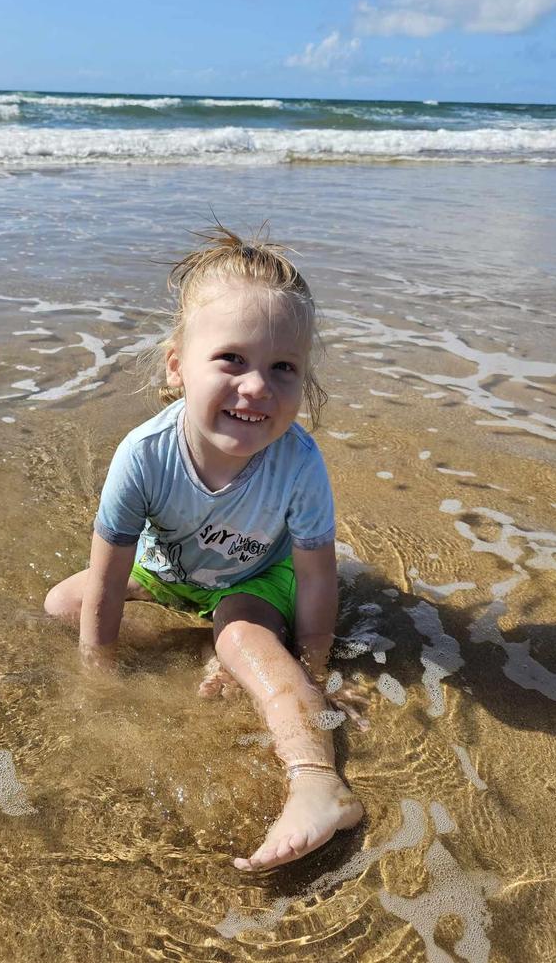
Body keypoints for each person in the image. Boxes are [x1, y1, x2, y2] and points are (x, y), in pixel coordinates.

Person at [44, 223, 369, 871]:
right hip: (173, 570)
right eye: (232, 360)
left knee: (240, 636)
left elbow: (316, 579)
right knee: (64, 605)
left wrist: (313, 667)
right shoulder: (142, 456)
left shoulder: (300, 463)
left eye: (284, 368)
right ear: (177, 366)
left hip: (261, 575)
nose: (258, 388)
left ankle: (318, 783)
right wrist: (97, 676)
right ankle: (215, 638)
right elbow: (110, 580)